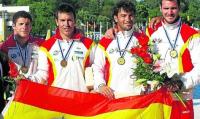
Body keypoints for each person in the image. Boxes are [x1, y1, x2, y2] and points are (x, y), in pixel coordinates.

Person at [146, 0, 200, 119]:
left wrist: (182, 82)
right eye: (166, 8)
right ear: (160, 8)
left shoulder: (191, 34)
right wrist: (113, 30)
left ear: (179, 8)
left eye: (173, 8)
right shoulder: (152, 32)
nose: (169, 12)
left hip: (183, 97)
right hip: (158, 98)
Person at [92, 0, 150, 99]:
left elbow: (151, 66)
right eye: (123, 16)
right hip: (112, 96)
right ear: (116, 18)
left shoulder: (143, 39)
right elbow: (97, 67)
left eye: (130, 15)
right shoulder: (105, 41)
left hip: (137, 97)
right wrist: (101, 85)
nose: (127, 19)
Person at [33, 3, 96, 92]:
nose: (66, 24)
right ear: (56, 21)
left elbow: (98, 69)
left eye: (69, 20)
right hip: (56, 99)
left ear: (75, 21)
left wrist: (97, 87)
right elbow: (43, 74)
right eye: (62, 20)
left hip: (82, 99)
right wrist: (28, 80)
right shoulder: (46, 47)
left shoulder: (89, 44)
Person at [0, 11, 44, 83]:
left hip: (37, 88)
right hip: (15, 91)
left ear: (31, 26)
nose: (24, 27)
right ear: (14, 26)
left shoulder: (41, 44)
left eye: (27, 24)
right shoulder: (4, 48)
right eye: (21, 24)